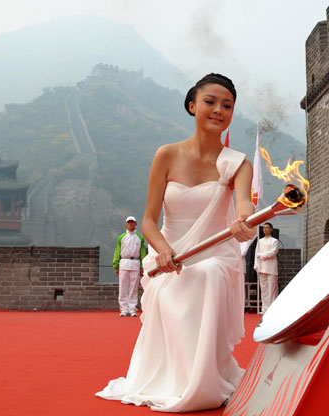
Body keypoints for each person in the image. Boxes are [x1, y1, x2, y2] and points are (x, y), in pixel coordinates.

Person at [96, 73, 256, 412]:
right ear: (192, 105)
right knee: (188, 278)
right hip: (168, 253)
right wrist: (164, 251)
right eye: (210, 102)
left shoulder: (237, 163)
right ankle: (177, 379)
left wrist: (244, 221)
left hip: (216, 253)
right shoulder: (166, 155)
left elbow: (244, 205)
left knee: (208, 274)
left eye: (227, 105)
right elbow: (150, 220)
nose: (218, 110)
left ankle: (202, 382)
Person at [113, 216, 147, 317]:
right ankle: (124, 308)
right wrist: (116, 265)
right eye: (129, 222)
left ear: (136, 224)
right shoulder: (121, 237)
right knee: (123, 287)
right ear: (126, 224)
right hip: (123, 262)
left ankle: (132, 308)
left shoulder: (140, 238)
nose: (131, 224)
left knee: (134, 287)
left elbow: (142, 253)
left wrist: (142, 266)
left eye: (132, 222)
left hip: (135, 263)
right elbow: (117, 251)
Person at [254, 222, 279, 314]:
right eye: (264, 228)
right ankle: (264, 309)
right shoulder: (259, 241)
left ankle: (271, 309)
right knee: (263, 289)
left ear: (271, 229)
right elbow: (256, 254)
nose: (265, 229)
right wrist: (256, 265)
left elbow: (273, 252)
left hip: (271, 268)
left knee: (271, 289)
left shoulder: (274, 241)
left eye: (267, 228)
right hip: (261, 267)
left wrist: (262, 255)